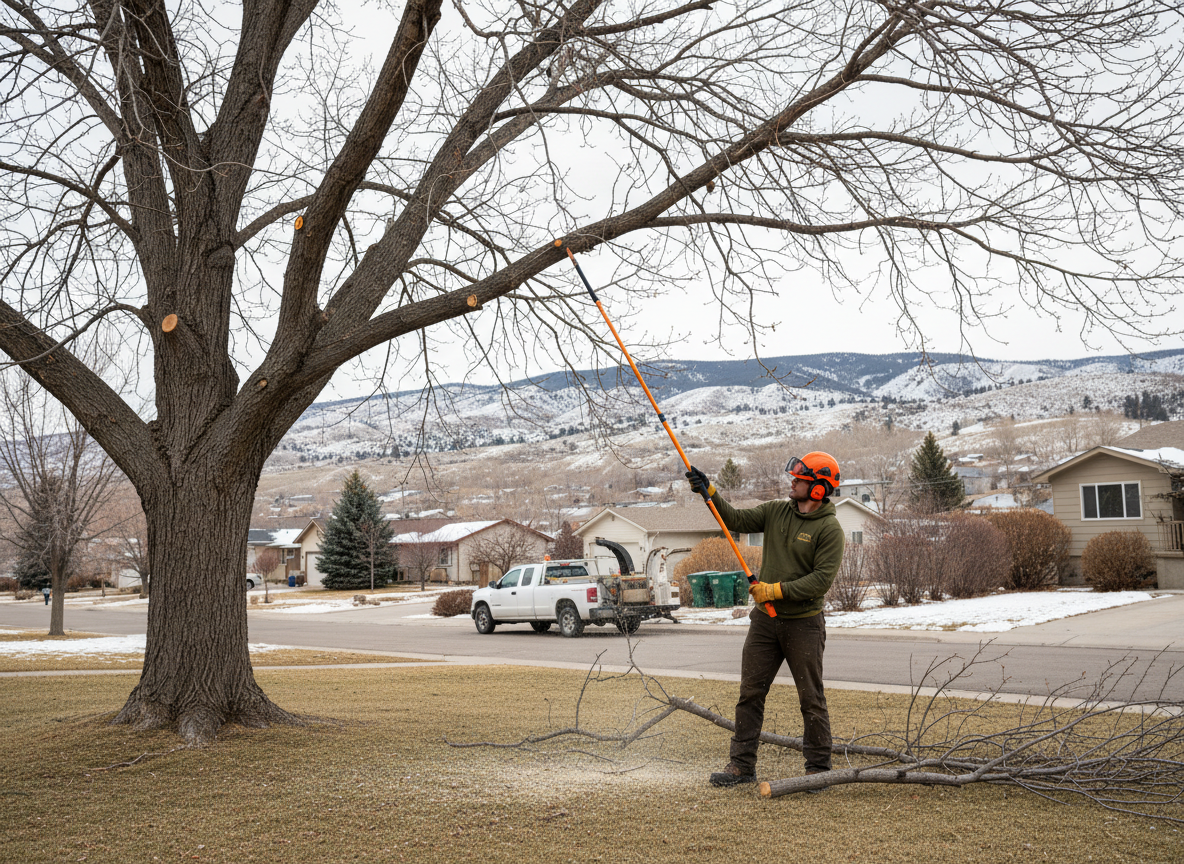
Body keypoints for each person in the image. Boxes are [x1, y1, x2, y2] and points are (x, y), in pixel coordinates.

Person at [686, 452, 846, 787]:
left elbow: (820, 581)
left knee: (811, 697)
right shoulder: (776, 511)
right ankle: (741, 767)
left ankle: (818, 770)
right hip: (765, 623)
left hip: (804, 623)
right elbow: (736, 520)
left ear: (818, 489)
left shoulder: (830, 529)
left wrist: (773, 591)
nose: (792, 482)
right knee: (750, 693)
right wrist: (709, 491)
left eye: (799, 479)